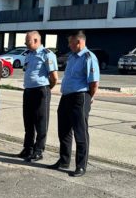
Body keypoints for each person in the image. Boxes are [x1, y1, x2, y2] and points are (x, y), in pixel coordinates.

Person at [50, 31, 99, 177]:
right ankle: (64, 160)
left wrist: (89, 96)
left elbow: (94, 82)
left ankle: (81, 166)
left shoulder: (88, 57)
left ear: (79, 42)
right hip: (66, 97)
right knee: (64, 130)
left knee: (80, 132)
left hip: (80, 96)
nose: (68, 45)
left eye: (70, 42)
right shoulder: (72, 57)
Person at [20, 31, 58, 162]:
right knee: (28, 121)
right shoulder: (29, 55)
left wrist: (46, 89)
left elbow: (54, 78)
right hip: (28, 91)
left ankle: (38, 150)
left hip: (41, 90)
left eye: (27, 41)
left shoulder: (47, 54)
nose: (25, 44)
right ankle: (28, 148)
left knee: (41, 122)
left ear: (36, 40)